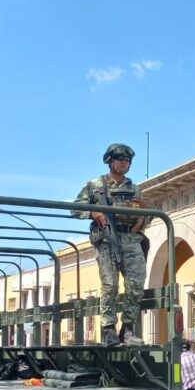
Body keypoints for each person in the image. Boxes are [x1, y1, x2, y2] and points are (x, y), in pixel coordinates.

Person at [71, 143, 149, 347]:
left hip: (131, 239)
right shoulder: (96, 185)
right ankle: (108, 329)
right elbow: (74, 208)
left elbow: (145, 219)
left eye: (128, 161)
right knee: (110, 285)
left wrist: (144, 211)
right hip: (107, 240)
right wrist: (92, 212)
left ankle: (128, 330)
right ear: (110, 161)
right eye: (121, 159)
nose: (125, 163)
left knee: (136, 286)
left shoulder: (133, 188)